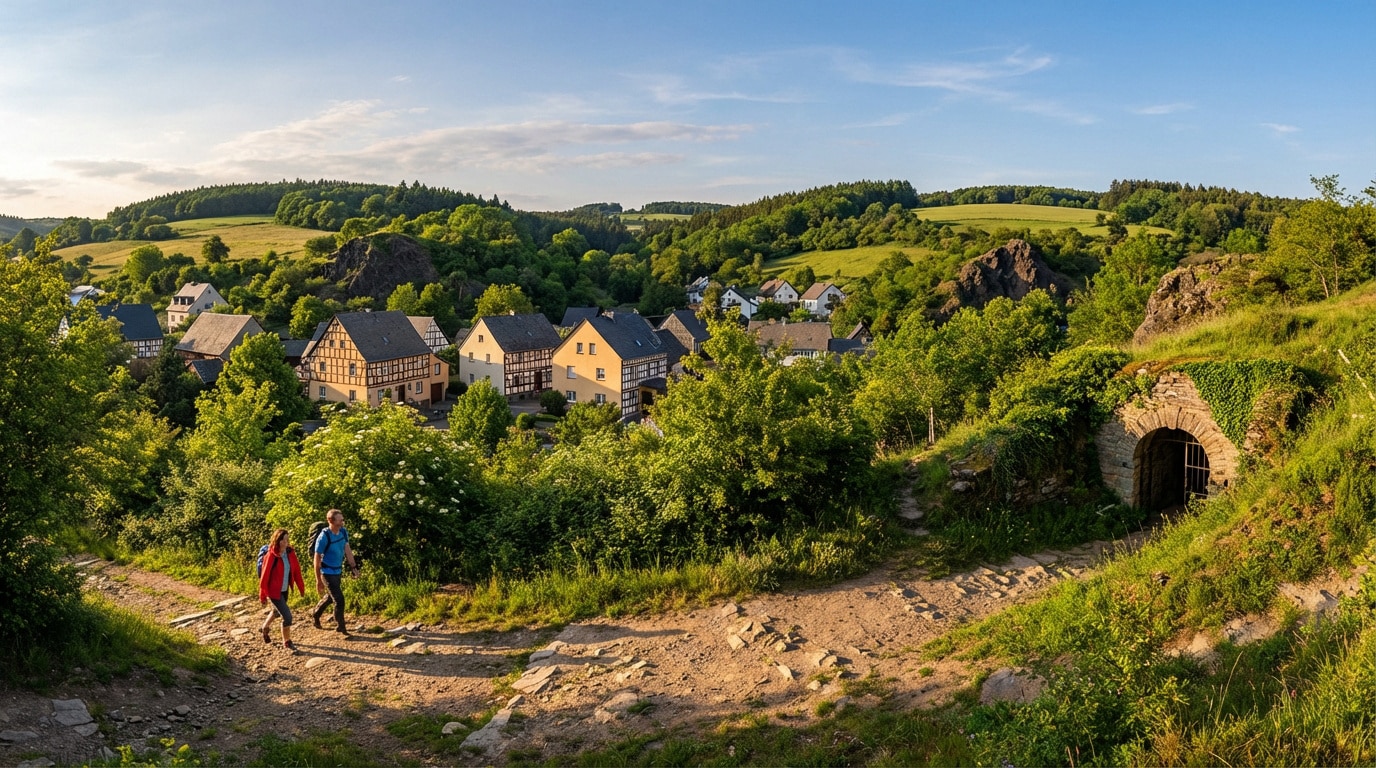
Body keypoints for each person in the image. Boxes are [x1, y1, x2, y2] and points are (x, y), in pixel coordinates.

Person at [311, 508, 359, 635]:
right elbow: (316, 560)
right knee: (339, 599)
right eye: (340, 520)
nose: (343, 521)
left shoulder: (343, 531)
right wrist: (318, 581)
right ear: (331, 521)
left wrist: (354, 567)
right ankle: (341, 626)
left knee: (331, 597)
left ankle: (316, 614)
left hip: (337, 570)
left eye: (342, 519)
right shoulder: (323, 537)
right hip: (326, 572)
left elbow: (347, 549)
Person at [258, 528, 306, 652]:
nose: (286, 542)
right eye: (283, 540)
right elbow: (264, 576)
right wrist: (262, 595)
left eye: (287, 539)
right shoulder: (271, 555)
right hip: (274, 591)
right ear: (277, 540)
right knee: (288, 617)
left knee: (276, 611)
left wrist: (301, 587)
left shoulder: (290, 553)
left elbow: (296, 571)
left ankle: (264, 627)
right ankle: (287, 641)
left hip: (284, 589)